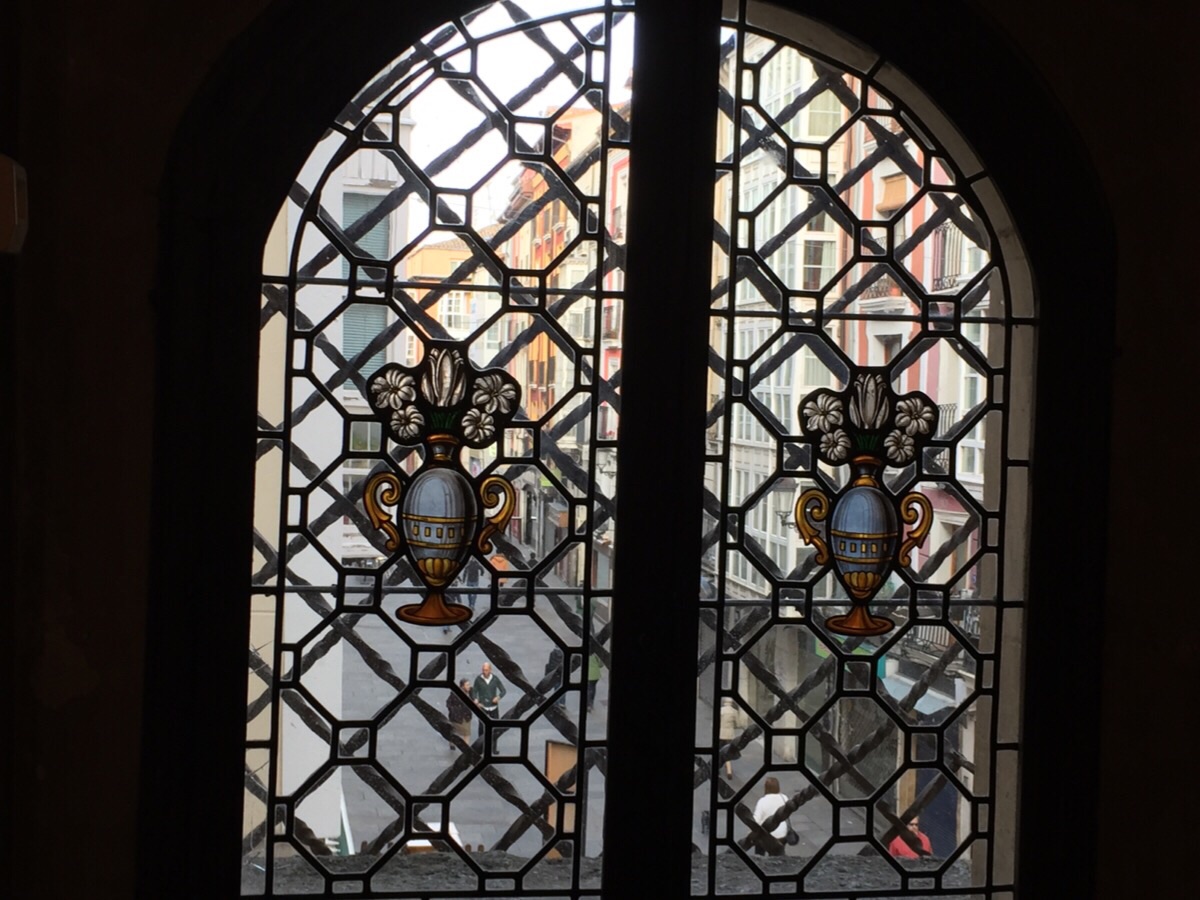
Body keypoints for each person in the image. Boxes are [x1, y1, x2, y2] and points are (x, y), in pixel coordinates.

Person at [752, 776, 789, 857]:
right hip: (782, 835)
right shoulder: (784, 798)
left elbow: (755, 820)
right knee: (777, 856)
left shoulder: (762, 801)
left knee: (759, 845)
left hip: (766, 836)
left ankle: (759, 858)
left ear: (766, 788)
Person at [472, 661, 506, 738]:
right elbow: (474, 691)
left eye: (486, 670)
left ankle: (493, 744)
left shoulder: (495, 679)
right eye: (483, 670)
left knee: (495, 728)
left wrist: (498, 697)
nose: (484, 672)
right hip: (483, 707)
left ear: (490, 670)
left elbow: (503, 691)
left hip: (493, 707)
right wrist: (475, 699)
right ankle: (481, 743)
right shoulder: (478, 679)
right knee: (481, 728)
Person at [446, 678, 473, 749]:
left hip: (466, 716)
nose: (469, 686)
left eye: (469, 684)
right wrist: (453, 711)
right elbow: (448, 703)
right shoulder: (455, 694)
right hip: (457, 716)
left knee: (467, 734)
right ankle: (452, 743)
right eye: (467, 685)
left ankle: (465, 748)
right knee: (455, 731)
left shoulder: (470, 692)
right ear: (462, 686)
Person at [718, 697, 740, 778]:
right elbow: (738, 724)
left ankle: (719, 767)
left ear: (724, 702)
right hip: (730, 735)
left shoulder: (721, 710)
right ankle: (729, 770)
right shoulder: (734, 711)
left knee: (720, 751)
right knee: (728, 751)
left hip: (721, 734)